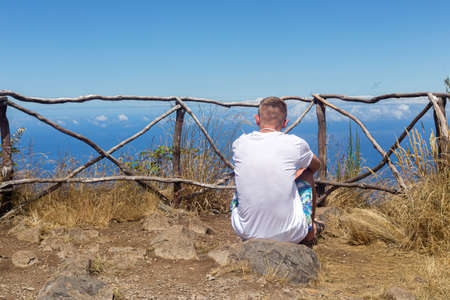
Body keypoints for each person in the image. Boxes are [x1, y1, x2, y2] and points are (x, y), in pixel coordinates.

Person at [230, 96, 323, 244]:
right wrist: (298, 172)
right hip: (289, 234)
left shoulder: (239, 143)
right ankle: (309, 231)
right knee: (307, 175)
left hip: (246, 231)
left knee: (242, 182)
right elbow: (316, 166)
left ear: (257, 119)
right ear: (285, 123)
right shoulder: (296, 144)